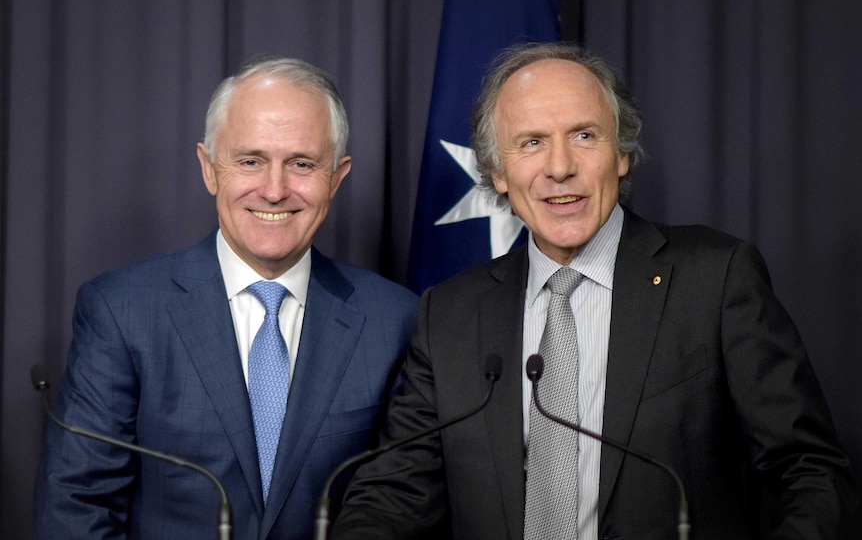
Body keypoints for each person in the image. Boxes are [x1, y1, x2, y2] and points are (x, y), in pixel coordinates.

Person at [331, 42, 858, 539]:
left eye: (584, 135)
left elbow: (807, 472)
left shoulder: (715, 279)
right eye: (531, 142)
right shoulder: (449, 314)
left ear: (622, 154)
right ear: (497, 172)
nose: (560, 168)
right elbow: (393, 496)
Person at [33, 57, 418, 540]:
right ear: (209, 169)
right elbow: (76, 508)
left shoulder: (396, 320)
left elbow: (402, 504)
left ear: (337, 178)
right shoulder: (121, 312)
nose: (274, 190)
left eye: (301, 164)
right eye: (250, 161)